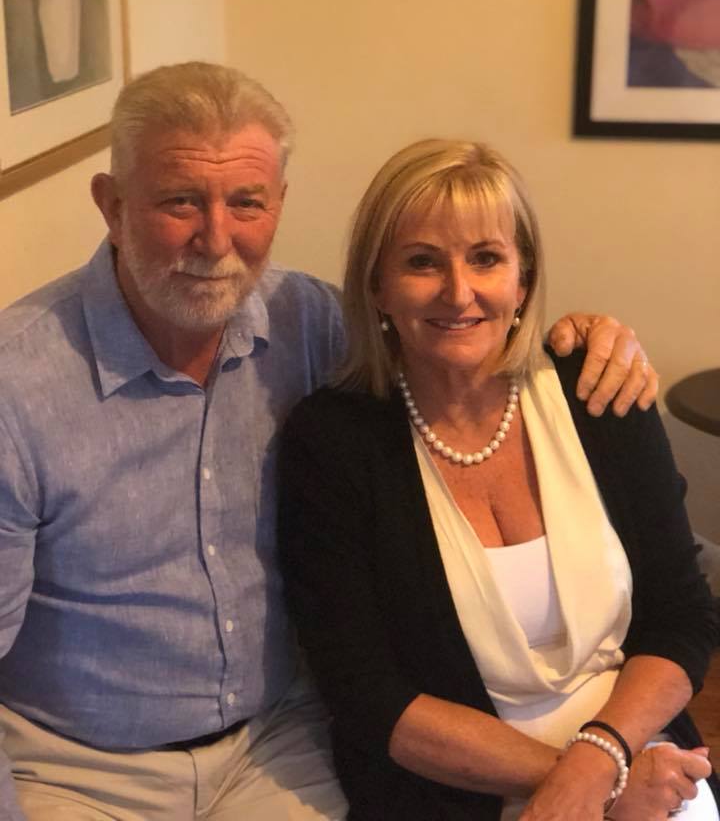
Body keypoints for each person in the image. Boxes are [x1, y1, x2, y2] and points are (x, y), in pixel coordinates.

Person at [0, 64, 657, 821]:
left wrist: (587, 339)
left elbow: (453, 336)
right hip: (79, 767)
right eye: (179, 201)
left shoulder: (308, 322)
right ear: (112, 206)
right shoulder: (19, 387)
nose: (216, 238)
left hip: (275, 742)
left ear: (279, 203)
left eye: (246, 202)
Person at [278, 138, 720, 821]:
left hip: (639, 748)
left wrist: (605, 755)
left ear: (523, 279)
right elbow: (367, 694)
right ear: (376, 286)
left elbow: (681, 617)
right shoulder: (332, 441)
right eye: (422, 262)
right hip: (453, 787)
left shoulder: (598, 390)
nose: (459, 292)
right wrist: (586, 783)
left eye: (486, 258)